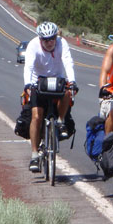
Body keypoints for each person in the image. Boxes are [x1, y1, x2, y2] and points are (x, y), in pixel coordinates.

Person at [23, 21, 77, 172]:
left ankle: (60, 121)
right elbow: (29, 66)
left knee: (67, 92)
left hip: (57, 80)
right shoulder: (33, 45)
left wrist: (72, 82)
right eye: (45, 40)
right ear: (40, 39)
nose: (49, 42)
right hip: (38, 82)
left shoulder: (62, 43)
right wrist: (28, 85)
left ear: (56, 37)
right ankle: (34, 155)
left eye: (52, 38)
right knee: (36, 116)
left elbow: (68, 62)